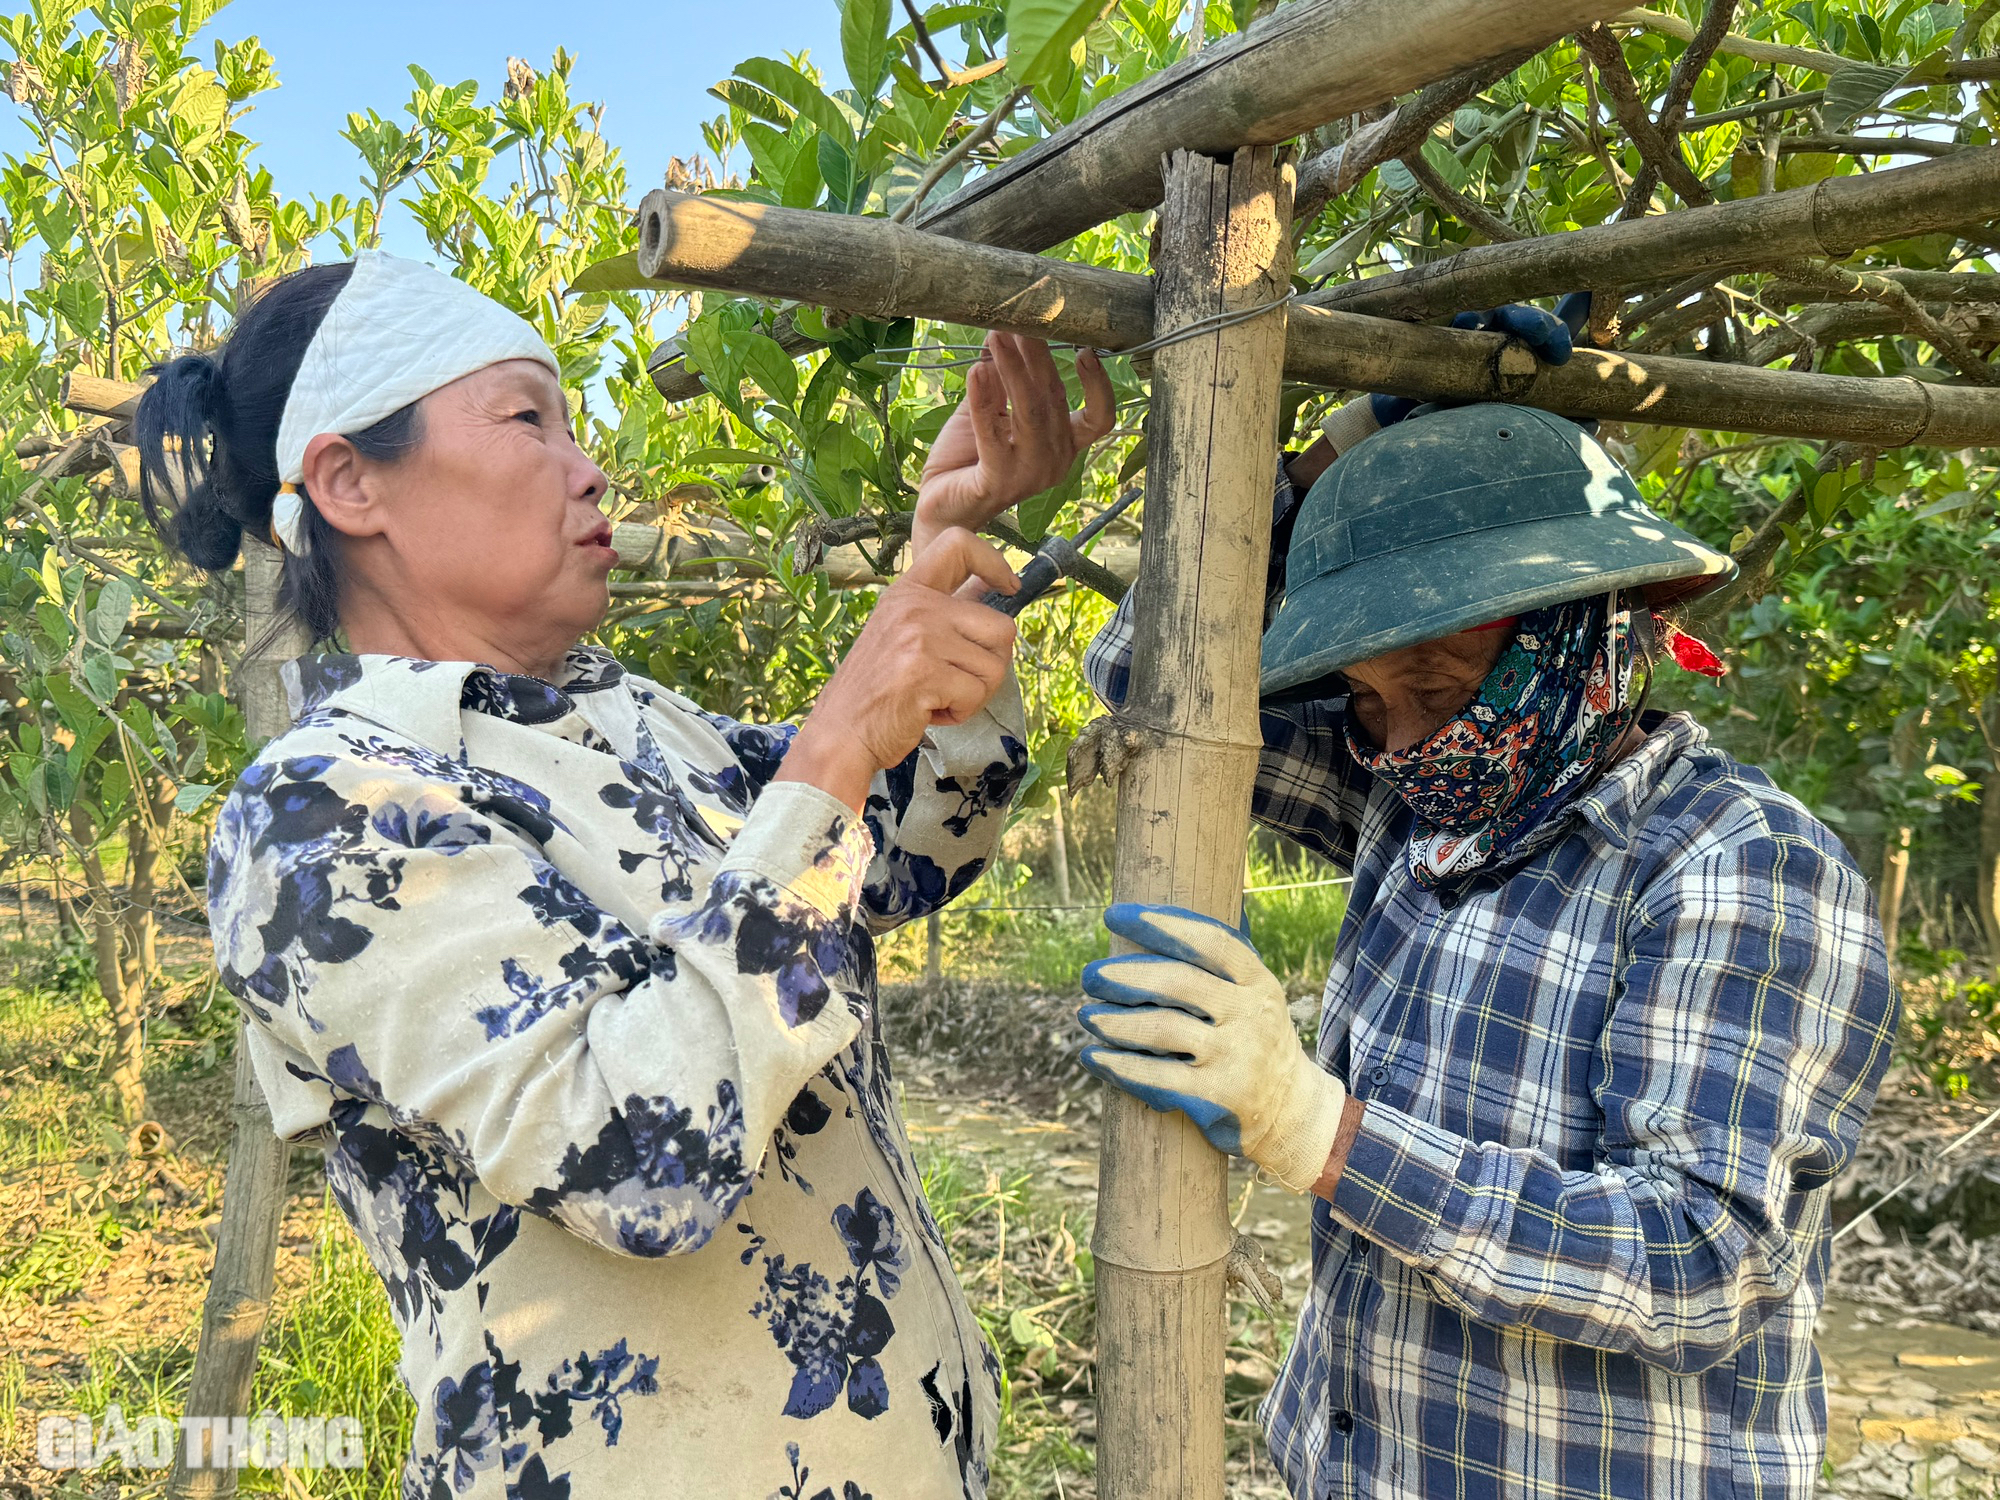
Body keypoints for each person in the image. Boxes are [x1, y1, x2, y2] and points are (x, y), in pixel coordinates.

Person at [137, 250, 1114, 1500]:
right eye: (525, 419)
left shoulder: (634, 719)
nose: (589, 466)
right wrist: (827, 750)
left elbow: (901, 859)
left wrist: (939, 554)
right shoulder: (320, 815)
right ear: (347, 481)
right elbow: (644, 1166)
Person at [1073, 316, 1898, 1499]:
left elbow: (1697, 1262)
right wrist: (1330, 455)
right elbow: (1145, 675)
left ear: (1584, 633)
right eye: (1363, 696)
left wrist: (1315, 1130)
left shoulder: (1737, 867)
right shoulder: (1412, 800)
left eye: (1441, 683)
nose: (1402, 739)